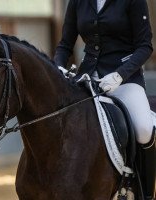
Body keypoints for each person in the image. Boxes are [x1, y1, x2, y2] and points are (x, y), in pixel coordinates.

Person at [54, 0, 155, 199]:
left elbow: (145, 47)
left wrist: (119, 75)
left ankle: (146, 193)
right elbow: (65, 44)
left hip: (124, 79)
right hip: (88, 78)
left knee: (143, 129)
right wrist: (57, 67)